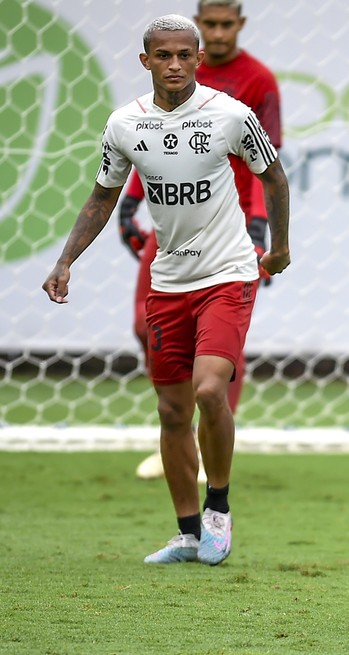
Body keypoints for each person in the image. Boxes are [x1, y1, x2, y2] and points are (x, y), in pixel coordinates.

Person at [42, 14, 290, 566]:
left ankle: (218, 506)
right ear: (145, 61)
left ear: (198, 59)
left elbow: (273, 176)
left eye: (184, 55)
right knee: (172, 410)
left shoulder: (231, 115)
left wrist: (279, 247)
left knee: (209, 390)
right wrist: (65, 260)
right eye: (163, 55)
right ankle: (186, 533)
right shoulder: (124, 124)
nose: (174, 64)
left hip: (228, 273)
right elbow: (103, 196)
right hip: (168, 281)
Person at [119, 0, 283, 481]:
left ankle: (207, 438)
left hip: (229, 224)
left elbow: (268, 163)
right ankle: (180, 428)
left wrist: (259, 227)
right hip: (171, 222)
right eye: (209, 23)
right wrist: (131, 201)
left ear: (239, 24)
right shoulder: (172, 73)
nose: (217, 32)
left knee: (219, 345)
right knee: (144, 325)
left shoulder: (258, 81)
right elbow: (153, 145)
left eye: (225, 24)